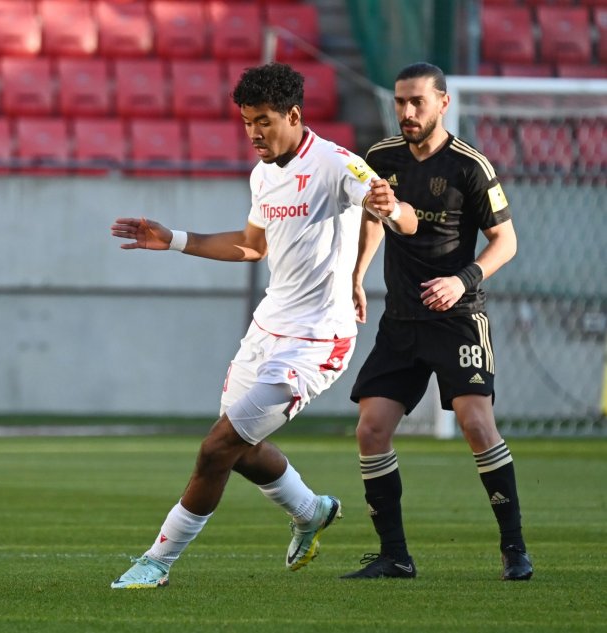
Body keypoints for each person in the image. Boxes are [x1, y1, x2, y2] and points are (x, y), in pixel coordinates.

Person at [108, 62, 418, 589]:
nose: (253, 133)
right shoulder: (263, 173)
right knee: (240, 449)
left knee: (216, 448)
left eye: (263, 121)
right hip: (266, 331)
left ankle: (158, 561)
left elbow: (402, 218)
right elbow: (253, 246)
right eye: (247, 121)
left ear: (293, 115)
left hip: (317, 341)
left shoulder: (338, 164)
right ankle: (311, 511)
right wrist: (174, 239)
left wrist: (391, 208)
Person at [343, 62, 532, 581]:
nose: (406, 111)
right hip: (401, 320)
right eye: (400, 101)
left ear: (443, 103)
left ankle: (514, 548)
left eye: (417, 102)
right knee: (371, 430)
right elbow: (374, 215)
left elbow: (507, 242)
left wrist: (461, 281)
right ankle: (395, 556)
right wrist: (358, 274)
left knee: (476, 424)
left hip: (457, 318)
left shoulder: (471, 166)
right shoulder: (381, 157)